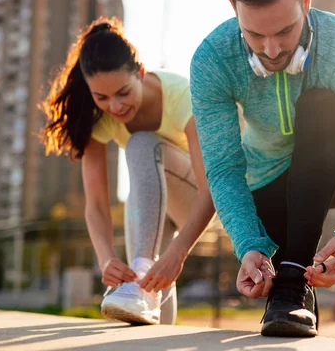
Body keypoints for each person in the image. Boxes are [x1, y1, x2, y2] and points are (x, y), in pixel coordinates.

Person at [190, 0, 335, 338]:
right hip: (266, 187)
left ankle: (289, 285)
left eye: (284, 31)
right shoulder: (212, 59)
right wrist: (248, 244)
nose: (270, 51)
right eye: (254, 35)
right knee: (278, 253)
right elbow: (222, 168)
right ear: (232, 8)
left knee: (321, 105)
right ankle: (291, 287)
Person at [41, 17, 215, 325]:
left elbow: (210, 190)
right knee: (144, 286)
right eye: (101, 97)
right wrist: (106, 258)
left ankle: (145, 268)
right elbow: (95, 205)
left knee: (141, 143)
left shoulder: (182, 96)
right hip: (153, 205)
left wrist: (178, 252)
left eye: (123, 92)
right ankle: (151, 319)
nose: (115, 106)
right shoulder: (98, 119)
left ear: (141, 73)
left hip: (199, 200)